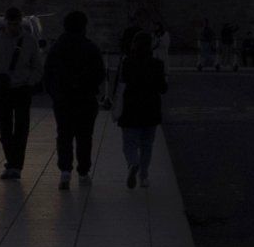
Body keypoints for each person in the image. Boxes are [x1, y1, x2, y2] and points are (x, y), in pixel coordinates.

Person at [44, 10, 107, 190]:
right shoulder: (90, 47)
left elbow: (48, 73)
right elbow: (100, 73)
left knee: (64, 135)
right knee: (84, 136)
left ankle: (65, 170)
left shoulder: (57, 48)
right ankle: (83, 171)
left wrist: (55, 93)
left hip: (63, 99)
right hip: (85, 99)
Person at [0, 7, 45, 180]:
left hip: (22, 88)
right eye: (11, 24)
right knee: (5, 129)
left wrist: (30, 82)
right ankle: (12, 161)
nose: (13, 27)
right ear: (5, 22)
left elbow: (37, 66)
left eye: (16, 24)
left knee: (21, 129)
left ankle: (15, 165)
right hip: (2, 89)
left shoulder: (28, 40)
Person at [116, 29, 167, 188]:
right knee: (147, 145)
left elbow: (120, 85)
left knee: (129, 143)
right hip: (151, 109)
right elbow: (163, 88)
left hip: (130, 108)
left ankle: (133, 162)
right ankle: (143, 176)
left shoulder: (127, 63)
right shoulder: (157, 64)